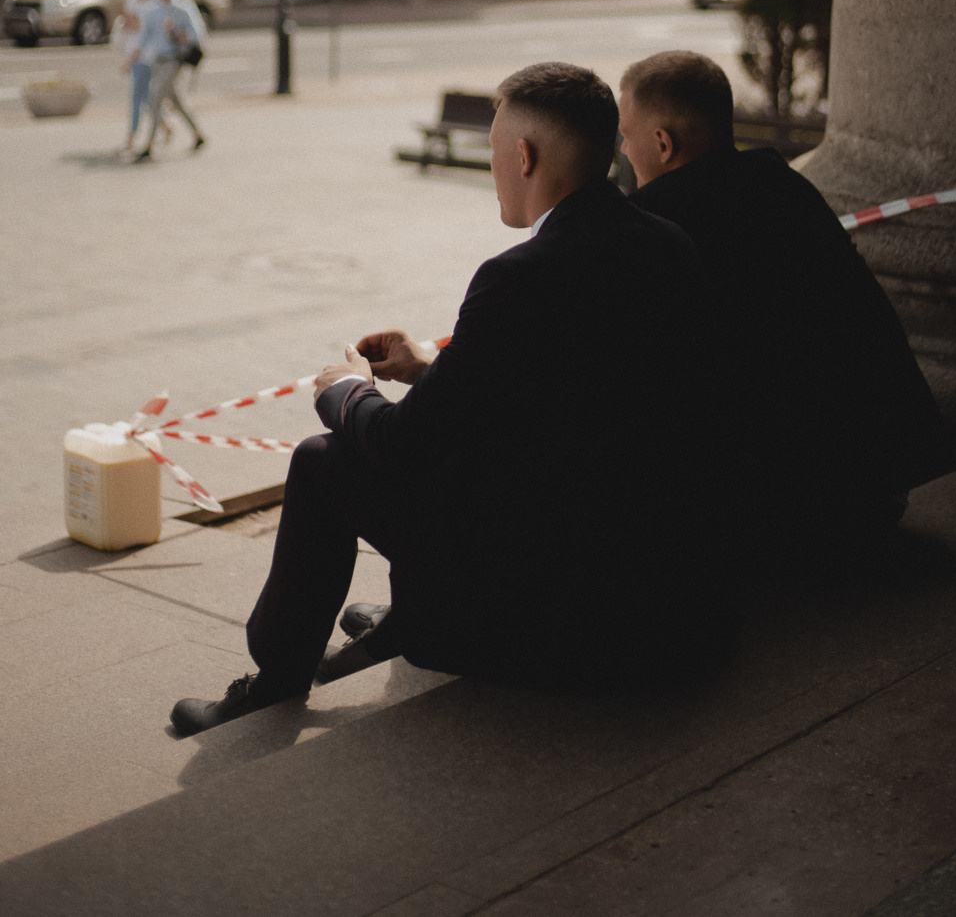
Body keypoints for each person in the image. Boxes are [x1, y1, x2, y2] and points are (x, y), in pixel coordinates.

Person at [170, 63, 734, 736]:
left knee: (324, 461)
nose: (493, 166)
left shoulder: (517, 277)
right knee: (469, 464)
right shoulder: (667, 243)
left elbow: (404, 446)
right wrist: (432, 369)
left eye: (494, 149)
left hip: (562, 622)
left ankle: (277, 679)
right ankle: (401, 620)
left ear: (523, 157)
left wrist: (344, 391)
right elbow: (568, 398)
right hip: (665, 596)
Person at [617, 51, 953, 571]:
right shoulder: (787, 187)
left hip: (776, 512)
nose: (623, 148)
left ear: (663, 143)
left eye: (625, 134)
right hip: (878, 485)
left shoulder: (658, 224)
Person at [132, 0, 207, 161]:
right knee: (174, 99)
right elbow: (145, 35)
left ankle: (148, 144)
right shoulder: (153, 9)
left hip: (174, 60)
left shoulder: (183, 8)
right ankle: (197, 133)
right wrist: (134, 56)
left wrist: (178, 33)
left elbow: (197, 34)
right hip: (158, 60)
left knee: (155, 96)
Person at [112, 0, 170, 155]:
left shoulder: (152, 7)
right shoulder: (133, 1)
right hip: (134, 54)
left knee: (138, 99)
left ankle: (131, 138)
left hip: (145, 57)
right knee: (147, 99)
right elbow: (128, 22)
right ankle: (165, 126)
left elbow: (144, 34)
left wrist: (128, 61)